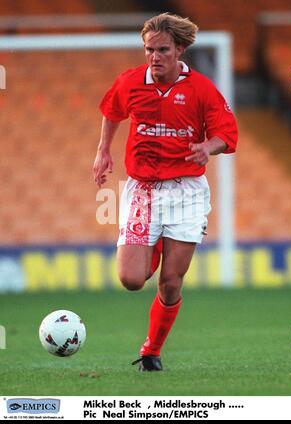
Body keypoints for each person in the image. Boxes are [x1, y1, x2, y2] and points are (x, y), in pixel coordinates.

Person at [93, 13, 238, 372]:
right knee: (130, 280)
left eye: (161, 50)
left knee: (170, 283)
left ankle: (151, 351)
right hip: (142, 189)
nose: (154, 57)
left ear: (179, 50)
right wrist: (103, 150)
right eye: (148, 50)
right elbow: (112, 111)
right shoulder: (130, 82)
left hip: (186, 191)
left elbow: (227, 133)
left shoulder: (201, 89)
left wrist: (209, 147)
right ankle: (153, 243)